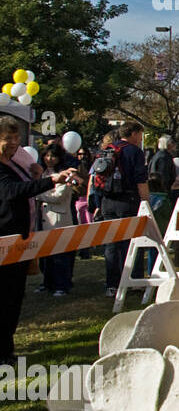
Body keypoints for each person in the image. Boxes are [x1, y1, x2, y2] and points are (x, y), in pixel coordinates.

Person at [0, 117, 81, 362]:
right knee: (3, 297)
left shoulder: (14, 163)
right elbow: (11, 192)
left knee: (13, 296)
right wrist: (49, 180)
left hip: (18, 239)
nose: (14, 144)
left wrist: (37, 174)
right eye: (8, 139)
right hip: (3, 240)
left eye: (16, 139)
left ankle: (7, 348)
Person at [96, 122, 150, 297]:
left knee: (111, 244)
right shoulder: (135, 152)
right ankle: (134, 281)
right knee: (132, 242)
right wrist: (146, 202)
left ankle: (112, 284)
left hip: (107, 200)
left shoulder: (108, 149)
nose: (141, 139)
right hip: (128, 200)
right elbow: (140, 179)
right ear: (133, 134)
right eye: (140, 135)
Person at [36, 146, 77, 295]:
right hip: (44, 217)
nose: (49, 159)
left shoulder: (66, 174)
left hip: (59, 217)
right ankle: (47, 283)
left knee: (60, 254)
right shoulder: (42, 173)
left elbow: (59, 196)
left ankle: (62, 285)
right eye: (46, 156)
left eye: (53, 156)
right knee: (46, 254)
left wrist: (38, 194)